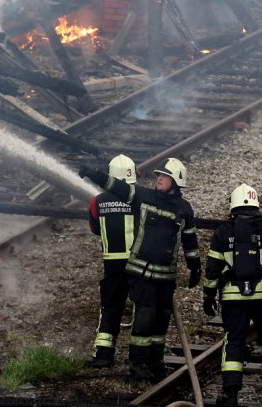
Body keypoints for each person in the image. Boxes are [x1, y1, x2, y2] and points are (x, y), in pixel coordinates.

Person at [79, 157, 201, 382]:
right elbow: (118, 187)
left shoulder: (185, 209)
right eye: (158, 175)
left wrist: (195, 267)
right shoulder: (145, 197)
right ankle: (138, 365)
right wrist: (94, 174)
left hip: (166, 275)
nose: (159, 179)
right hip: (142, 272)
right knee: (144, 318)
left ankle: (155, 362)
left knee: (160, 321)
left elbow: (190, 241)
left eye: (164, 176)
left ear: (176, 181)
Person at [203, 183, 262, 407]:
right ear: (256, 204)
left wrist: (208, 294)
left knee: (234, 339)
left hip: (233, 297)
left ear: (233, 204)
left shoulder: (223, 231)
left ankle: (230, 393)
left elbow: (212, 267)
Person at [85, 154, 138, 369]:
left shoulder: (97, 201)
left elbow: (94, 229)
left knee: (110, 308)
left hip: (113, 265)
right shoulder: (140, 198)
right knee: (143, 308)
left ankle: (104, 355)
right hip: (138, 263)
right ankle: (139, 357)